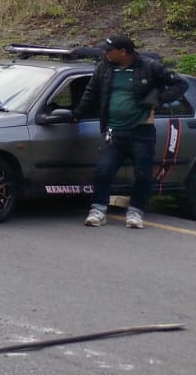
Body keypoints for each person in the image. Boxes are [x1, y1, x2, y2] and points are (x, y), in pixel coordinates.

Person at [76, 34, 187, 229]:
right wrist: (77, 113)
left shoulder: (149, 67)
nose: (105, 53)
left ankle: (136, 211)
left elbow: (180, 84)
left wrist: (159, 99)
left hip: (141, 131)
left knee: (143, 174)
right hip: (113, 130)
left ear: (123, 51)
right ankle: (98, 210)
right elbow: (91, 91)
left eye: (109, 50)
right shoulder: (104, 67)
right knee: (103, 171)